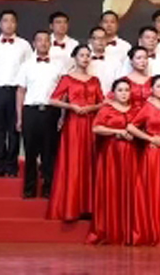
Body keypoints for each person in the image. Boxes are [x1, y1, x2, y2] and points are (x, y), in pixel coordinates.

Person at [47, 46, 104, 220]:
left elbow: (103, 102)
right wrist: (71, 106)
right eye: (82, 55)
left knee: (89, 161)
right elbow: (53, 100)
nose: (85, 58)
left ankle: (88, 207)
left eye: (88, 55)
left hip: (91, 123)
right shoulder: (67, 79)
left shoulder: (95, 80)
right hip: (73, 124)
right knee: (73, 162)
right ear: (75, 58)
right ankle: (71, 208)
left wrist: (91, 108)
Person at [87, 79, 139, 245]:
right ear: (113, 93)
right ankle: (111, 229)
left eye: (126, 90)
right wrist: (117, 132)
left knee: (132, 190)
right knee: (112, 188)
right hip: (111, 155)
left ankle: (130, 231)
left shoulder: (137, 109)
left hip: (132, 154)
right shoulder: (106, 109)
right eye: (120, 90)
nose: (124, 93)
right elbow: (96, 128)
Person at [128, 75, 160, 246]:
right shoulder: (147, 107)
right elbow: (131, 126)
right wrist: (149, 138)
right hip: (152, 153)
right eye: (158, 86)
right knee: (152, 189)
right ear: (152, 89)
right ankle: (151, 230)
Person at [0, 9, 33, 178]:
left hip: (16, 91)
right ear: (0, 24)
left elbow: (29, 71)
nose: (9, 24)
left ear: (16, 24)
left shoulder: (24, 45)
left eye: (12, 21)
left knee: (15, 130)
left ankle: (12, 167)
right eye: (5, 20)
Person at [15, 30, 63, 198]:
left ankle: (48, 188)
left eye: (46, 40)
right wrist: (19, 117)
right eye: (39, 40)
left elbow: (64, 93)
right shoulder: (26, 65)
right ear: (34, 43)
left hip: (51, 111)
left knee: (49, 153)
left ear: (50, 43)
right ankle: (29, 188)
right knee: (30, 152)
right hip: (31, 111)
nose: (43, 43)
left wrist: (62, 115)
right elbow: (20, 91)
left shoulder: (58, 66)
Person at [116, 47, 153, 111]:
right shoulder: (123, 81)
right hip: (130, 115)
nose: (143, 61)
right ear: (131, 61)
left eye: (145, 58)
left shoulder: (153, 81)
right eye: (139, 58)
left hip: (151, 115)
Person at [88, 26, 119, 95]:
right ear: (90, 41)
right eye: (97, 38)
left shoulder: (115, 62)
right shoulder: (84, 60)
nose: (101, 41)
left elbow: (119, 84)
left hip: (109, 99)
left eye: (103, 38)